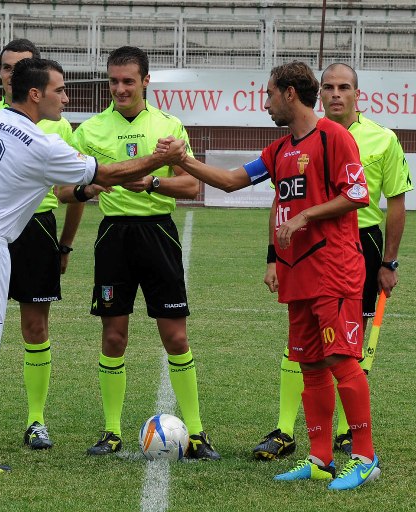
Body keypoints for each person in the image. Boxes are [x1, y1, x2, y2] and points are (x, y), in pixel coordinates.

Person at [0, 57, 187, 476]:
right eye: (60, 90)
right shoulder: (41, 144)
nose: (66, 97)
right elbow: (111, 172)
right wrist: (158, 159)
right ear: (36, 94)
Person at [160, 61, 380, 489]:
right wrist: (181, 159)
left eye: (269, 95)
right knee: (310, 364)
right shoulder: (279, 151)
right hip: (298, 273)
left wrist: (305, 218)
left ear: (290, 94)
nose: (265, 104)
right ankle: (319, 459)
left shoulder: (333, 138)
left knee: (340, 360)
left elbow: (357, 194)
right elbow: (228, 181)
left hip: (333, 267)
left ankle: (365, 456)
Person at [0, 38, 107, 451]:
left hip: (36, 230)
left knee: (35, 326)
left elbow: (71, 188)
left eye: (22, 66)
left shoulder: (57, 123)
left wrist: (65, 245)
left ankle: (36, 420)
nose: (12, 73)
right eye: (6, 67)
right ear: (0, 74)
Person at [253, 62, 412, 460]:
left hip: (357, 245)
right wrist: (273, 256)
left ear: (359, 94)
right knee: (303, 348)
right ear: (316, 94)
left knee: (344, 348)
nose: (336, 94)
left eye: (344, 87)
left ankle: (350, 438)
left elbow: (394, 203)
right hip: (304, 245)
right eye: (329, 87)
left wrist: (388, 262)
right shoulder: (301, 136)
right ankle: (287, 430)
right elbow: (283, 198)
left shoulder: (382, 139)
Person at [72, 46, 220, 460]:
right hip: (114, 238)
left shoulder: (169, 127)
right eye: (114, 81)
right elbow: (66, 190)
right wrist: (89, 188)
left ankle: (195, 433)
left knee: (175, 336)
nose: (120, 88)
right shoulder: (89, 131)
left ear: (145, 82)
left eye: (128, 81)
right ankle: (112, 431)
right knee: (113, 335)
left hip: (159, 234)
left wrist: (151, 184)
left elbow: (191, 186)